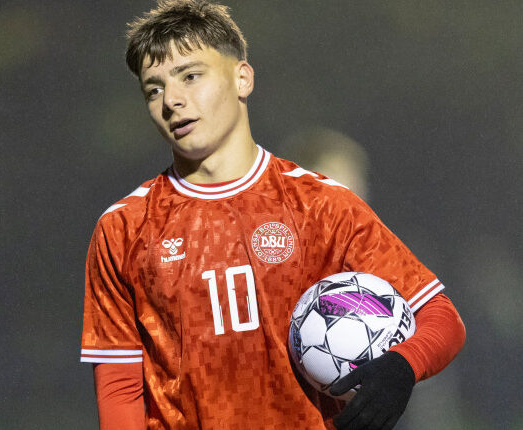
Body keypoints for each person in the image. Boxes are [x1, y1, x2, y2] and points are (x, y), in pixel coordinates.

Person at [79, 1, 466, 429]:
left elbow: (442, 318)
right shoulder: (124, 228)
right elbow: (120, 386)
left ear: (242, 78)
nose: (172, 100)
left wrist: (401, 367)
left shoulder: (320, 205)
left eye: (191, 76)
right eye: (154, 89)